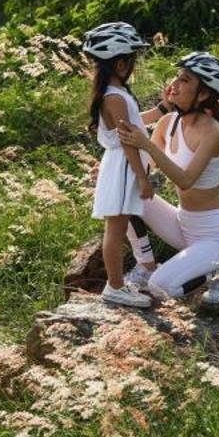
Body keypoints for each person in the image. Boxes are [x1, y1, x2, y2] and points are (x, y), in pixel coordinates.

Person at [117, 51, 219, 302]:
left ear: (203, 94)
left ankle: (217, 270)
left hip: (214, 237)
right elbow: (144, 165)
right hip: (182, 225)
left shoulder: (211, 131)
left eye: (185, 80)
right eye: (177, 76)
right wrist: (116, 171)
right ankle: (146, 266)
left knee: (160, 288)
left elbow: (185, 179)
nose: (175, 83)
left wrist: (147, 145)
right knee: (123, 188)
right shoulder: (168, 122)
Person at [84, 21, 159, 308]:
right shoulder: (114, 97)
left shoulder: (114, 93)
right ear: (119, 63)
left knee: (117, 228)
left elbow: (136, 124)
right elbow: (129, 140)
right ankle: (114, 286)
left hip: (120, 164)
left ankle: (116, 284)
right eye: (131, 61)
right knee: (115, 231)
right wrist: (142, 177)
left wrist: (162, 109)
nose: (133, 67)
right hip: (124, 167)